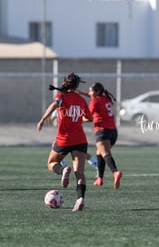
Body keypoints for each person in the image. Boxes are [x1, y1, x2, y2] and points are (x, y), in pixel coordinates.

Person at [37, 72, 91, 212]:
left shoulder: (61, 96)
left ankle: (62, 170)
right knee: (80, 173)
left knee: (50, 163)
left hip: (64, 139)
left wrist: (43, 119)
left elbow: (55, 105)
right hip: (80, 140)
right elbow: (89, 118)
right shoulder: (81, 100)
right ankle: (80, 199)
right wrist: (79, 120)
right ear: (77, 85)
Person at [80, 82, 123, 189]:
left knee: (105, 153)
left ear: (97, 92)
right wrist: (80, 93)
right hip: (113, 132)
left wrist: (78, 120)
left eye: (91, 91)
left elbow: (89, 117)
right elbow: (92, 95)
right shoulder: (106, 98)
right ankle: (100, 179)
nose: (89, 93)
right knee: (99, 153)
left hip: (102, 131)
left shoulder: (95, 101)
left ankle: (115, 172)